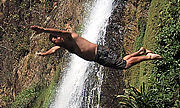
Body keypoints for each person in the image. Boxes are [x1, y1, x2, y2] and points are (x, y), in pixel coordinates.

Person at [31, 25, 162, 70]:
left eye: (55, 37)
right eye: (53, 40)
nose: (55, 40)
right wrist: (44, 54)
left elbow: (59, 32)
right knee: (121, 61)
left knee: (124, 65)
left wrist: (43, 30)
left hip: (99, 52)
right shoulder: (65, 45)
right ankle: (141, 51)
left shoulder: (70, 36)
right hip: (98, 57)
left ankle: (147, 57)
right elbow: (53, 50)